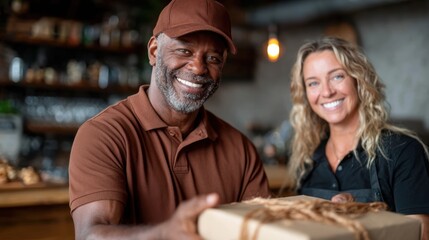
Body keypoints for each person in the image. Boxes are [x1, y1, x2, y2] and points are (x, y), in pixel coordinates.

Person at [68, 0, 271, 239]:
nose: (198, 68)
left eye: (213, 58)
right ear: (154, 51)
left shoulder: (241, 150)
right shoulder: (104, 135)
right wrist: (164, 234)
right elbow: (90, 235)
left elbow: (263, 232)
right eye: (184, 51)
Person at [287, 37, 429, 239]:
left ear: (358, 79)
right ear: (305, 94)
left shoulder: (402, 151)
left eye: (337, 77)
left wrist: (364, 217)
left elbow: (420, 234)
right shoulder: (308, 160)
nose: (326, 91)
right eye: (313, 83)